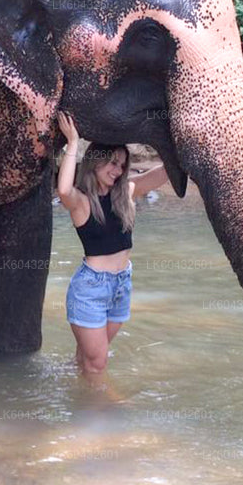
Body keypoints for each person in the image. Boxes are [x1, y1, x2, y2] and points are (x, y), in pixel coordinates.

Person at [55, 111, 169, 383]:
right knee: (98, 364)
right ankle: (102, 413)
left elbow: (162, 175)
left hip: (121, 286)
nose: (117, 171)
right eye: (112, 163)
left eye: (121, 165)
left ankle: (72, 394)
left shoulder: (125, 193)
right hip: (91, 290)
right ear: (96, 162)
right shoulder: (81, 202)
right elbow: (62, 190)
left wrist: (177, 147)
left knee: (87, 360)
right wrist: (72, 142)